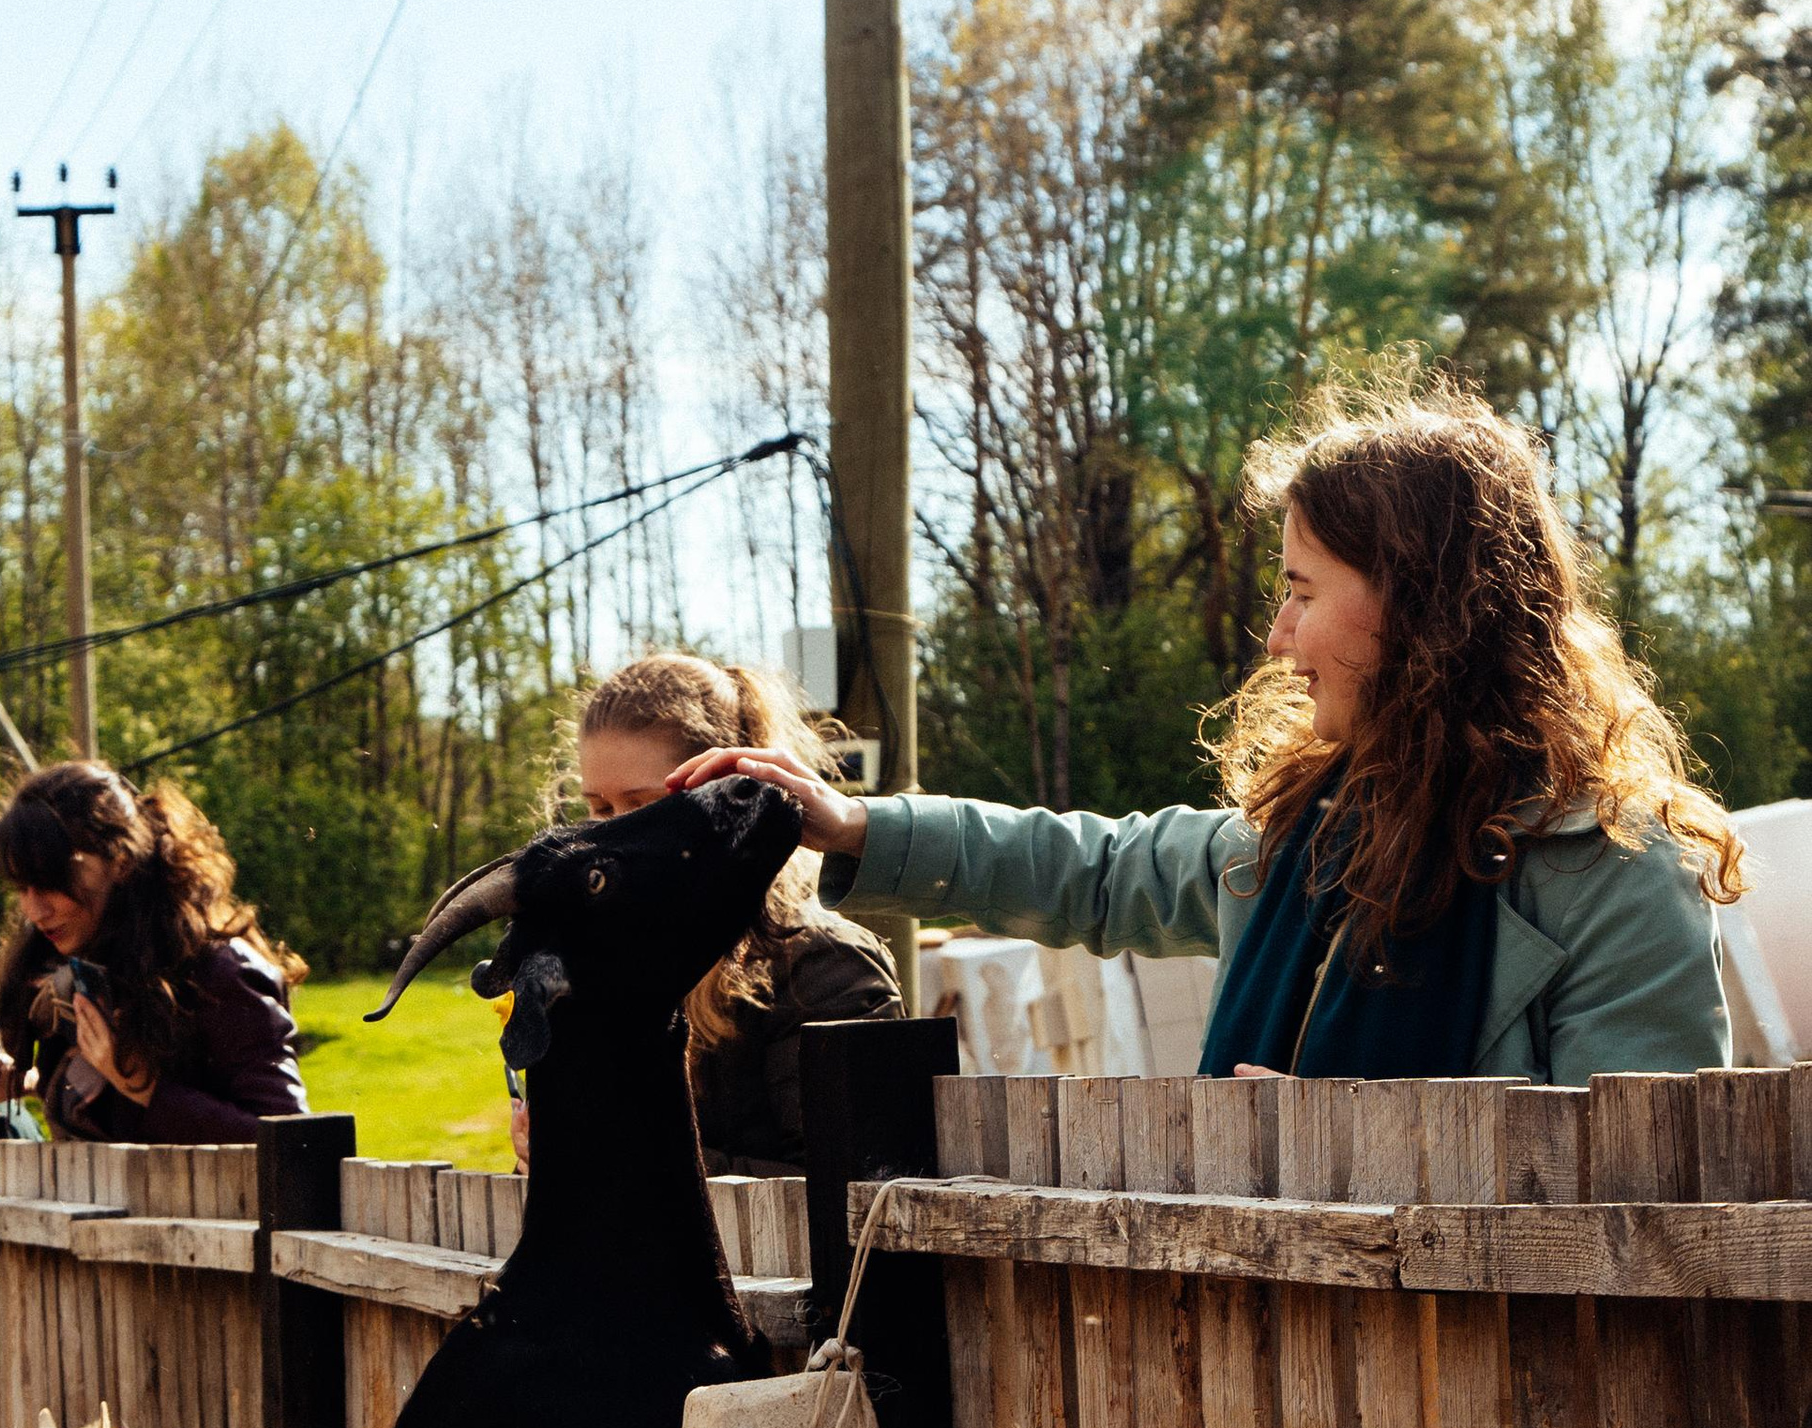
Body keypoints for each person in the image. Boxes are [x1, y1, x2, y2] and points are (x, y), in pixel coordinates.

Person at [671, 389, 1744, 1087]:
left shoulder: (1617, 877)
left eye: (1301, 590)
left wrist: (1354, 1158)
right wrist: (851, 825)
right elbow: (1088, 870)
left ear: (1423, 608)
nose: (1277, 637)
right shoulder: (1303, 840)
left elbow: (1643, 1196)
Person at [555, 654, 902, 1172]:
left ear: (725, 790)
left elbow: (857, 1200)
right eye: (601, 809)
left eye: (642, 805)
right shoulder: (606, 966)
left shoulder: (826, 968)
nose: (613, 835)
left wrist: (614, 1159)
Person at [0, 761, 310, 1141]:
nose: (34, 911)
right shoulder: (67, 977)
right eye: (22, 888)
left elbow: (294, 1143)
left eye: (51, 882)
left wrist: (143, 1086)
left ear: (121, 862)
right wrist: (29, 1080)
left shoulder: (222, 974)